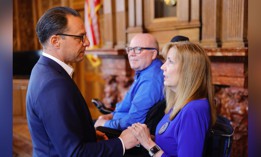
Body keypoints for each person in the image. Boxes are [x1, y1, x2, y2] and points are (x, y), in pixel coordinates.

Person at [26, 6, 138, 157]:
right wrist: (122, 142)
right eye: (80, 37)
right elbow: (74, 153)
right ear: (56, 41)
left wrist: (89, 135)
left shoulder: (43, 69)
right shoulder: (53, 85)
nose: (87, 42)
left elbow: (60, 131)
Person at [128, 41, 217, 157]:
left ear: (188, 70)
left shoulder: (193, 109)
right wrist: (143, 136)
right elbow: (171, 143)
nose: (162, 67)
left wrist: (148, 143)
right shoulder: (179, 103)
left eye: (170, 62)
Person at [94, 33, 165, 130]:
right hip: (119, 123)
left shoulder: (151, 80)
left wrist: (105, 124)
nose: (131, 54)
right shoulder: (145, 71)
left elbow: (133, 121)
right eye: (130, 49)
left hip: (125, 134)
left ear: (153, 54)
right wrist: (110, 116)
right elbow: (126, 107)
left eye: (138, 49)